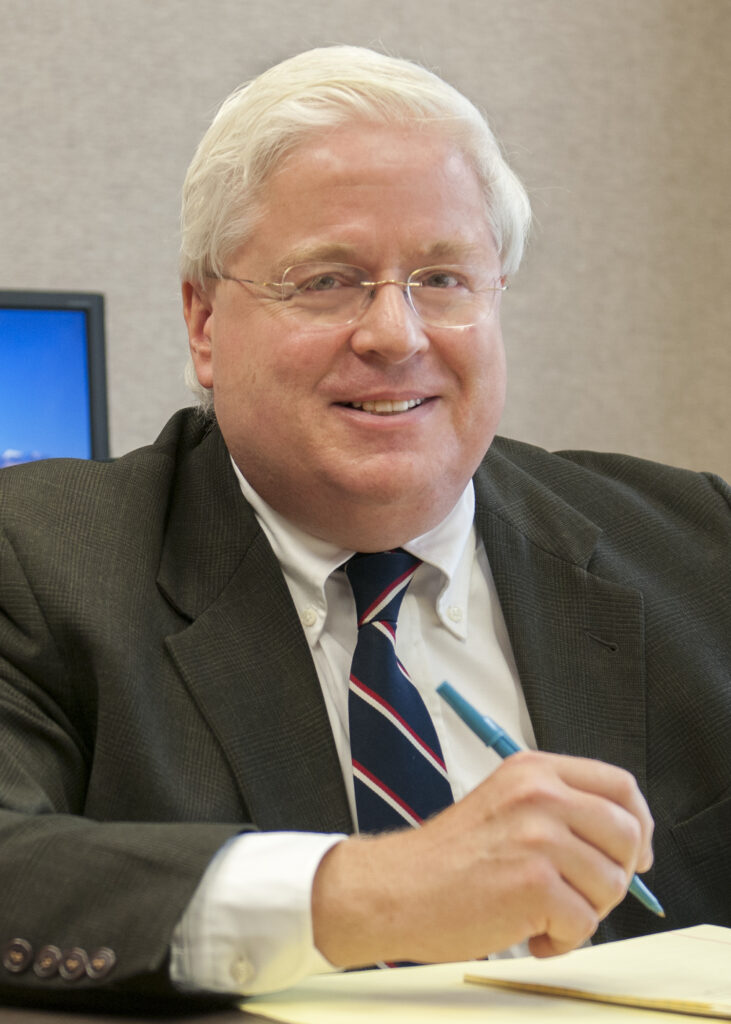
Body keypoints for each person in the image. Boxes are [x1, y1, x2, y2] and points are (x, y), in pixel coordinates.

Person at [0, 45, 728, 1008]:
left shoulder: (698, 547)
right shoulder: (41, 561)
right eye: (327, 281)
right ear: (205, 324)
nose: (395, 334)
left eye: (442, 278)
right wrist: (372, 894)